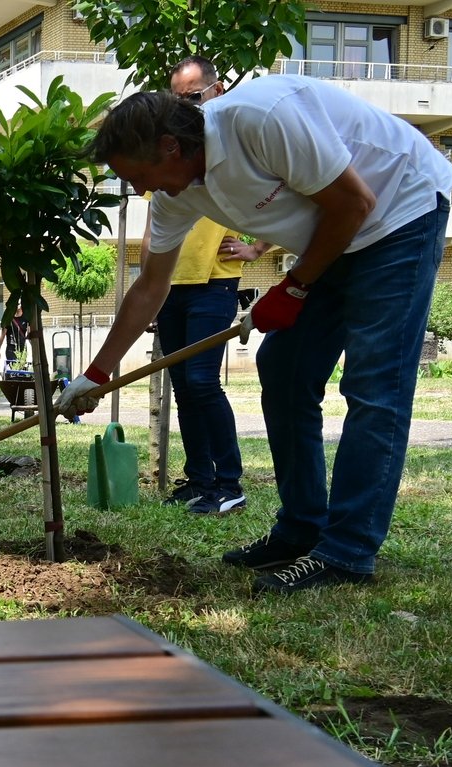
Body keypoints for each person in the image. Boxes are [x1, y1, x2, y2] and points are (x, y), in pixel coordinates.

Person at [56, 76, 452, 595]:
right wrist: (97, 372)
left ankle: (347, 550)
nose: (140, 190)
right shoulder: (177, 196)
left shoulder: (261, 117)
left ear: (170, 147)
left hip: (398, 213)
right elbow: (152, 286)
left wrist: (292, 289)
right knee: (284, 368)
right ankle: (300, 528)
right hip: (333, 234)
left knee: (375, 384)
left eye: (139, 175)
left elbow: (355, 203)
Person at [153, 57, 271, 516]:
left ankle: (230, 483)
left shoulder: (235, 143)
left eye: (192, 97)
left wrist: (256, 249)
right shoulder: (173, 153)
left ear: (217, 90)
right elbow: (153, 229)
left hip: (213, 283)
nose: (183, 107)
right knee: (183, 385)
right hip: (171, 286)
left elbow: (281, 191)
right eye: (175, 100)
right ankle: (199, 479)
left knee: (202, 381)